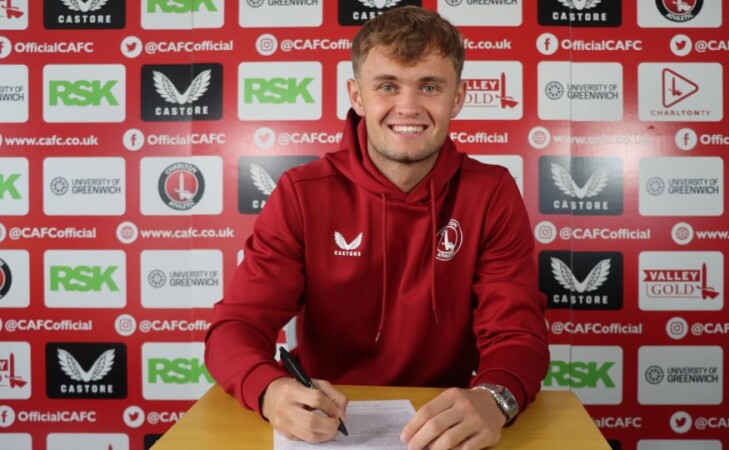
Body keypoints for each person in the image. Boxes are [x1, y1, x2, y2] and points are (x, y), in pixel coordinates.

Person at [205, 6, 549, 449]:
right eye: (387, 86)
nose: (408, 107)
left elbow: (517, 333)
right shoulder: (301, 193)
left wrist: (494, 398)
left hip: (440, 426)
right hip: (326, 427)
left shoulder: (491, 192)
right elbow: (235, 327)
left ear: (458, 98)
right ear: (357, 96)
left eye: (430, 86)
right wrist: (270, 390)